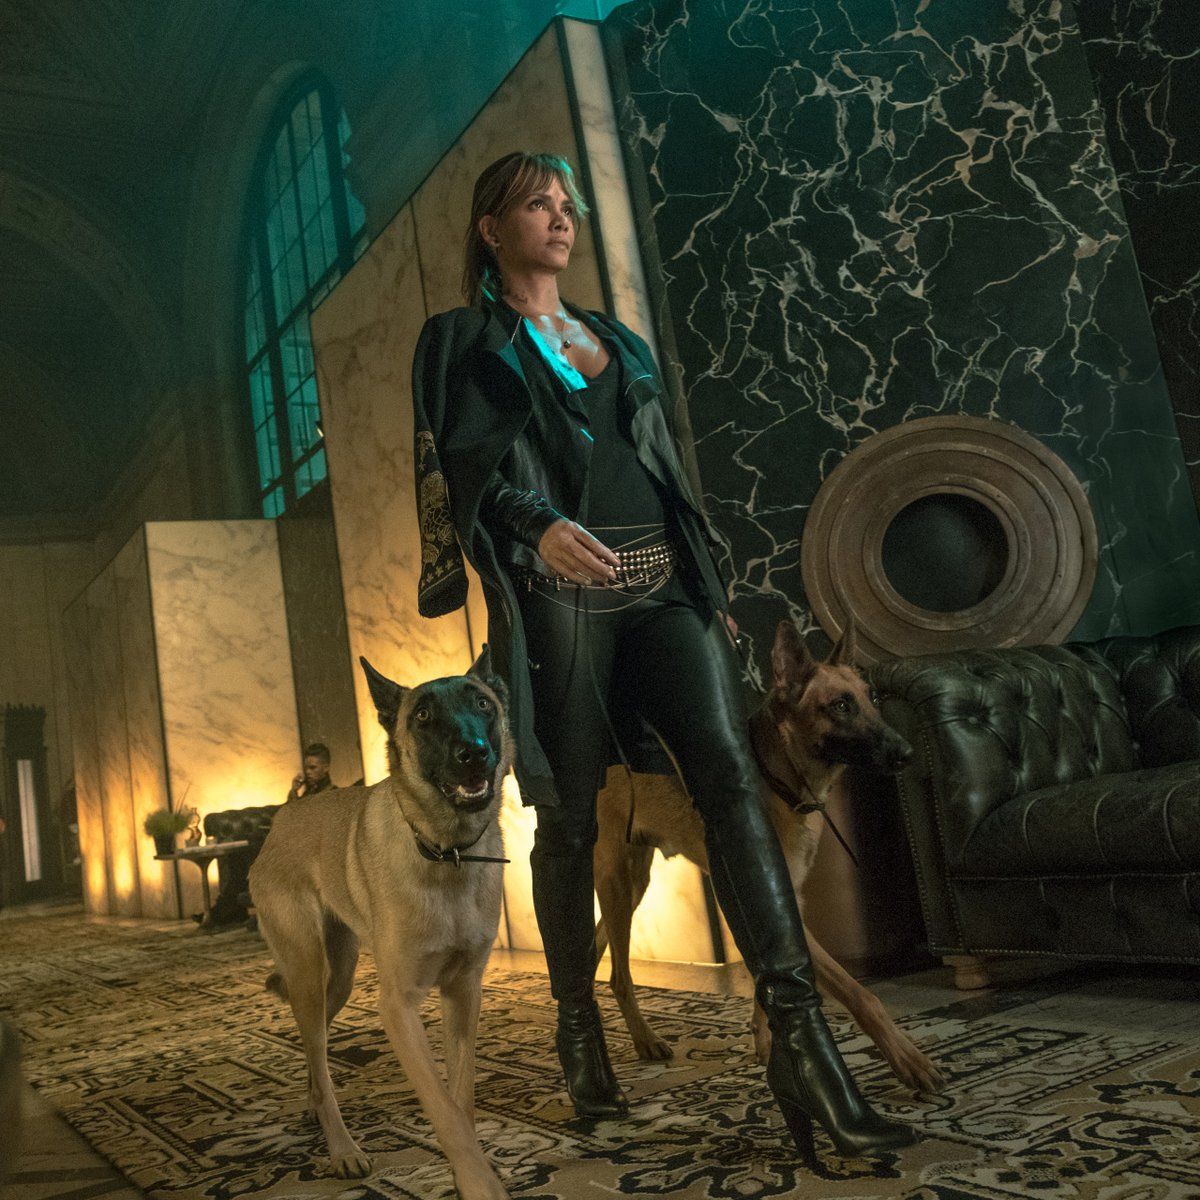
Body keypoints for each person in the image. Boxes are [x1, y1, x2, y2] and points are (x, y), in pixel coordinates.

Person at [410, 151, 916, 1161]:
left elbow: (668, 473)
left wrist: (712, 593)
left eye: (567, 204)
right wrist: (535, 523)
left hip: (665, 587)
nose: (561, 218)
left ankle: (804, 1048)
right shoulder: (462, 339)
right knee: (569, 819)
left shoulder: (617, 339)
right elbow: (457, 464)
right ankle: (579, 1033)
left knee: (733, 783)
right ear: (491, 230)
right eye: (537, 204)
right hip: (560, 601)